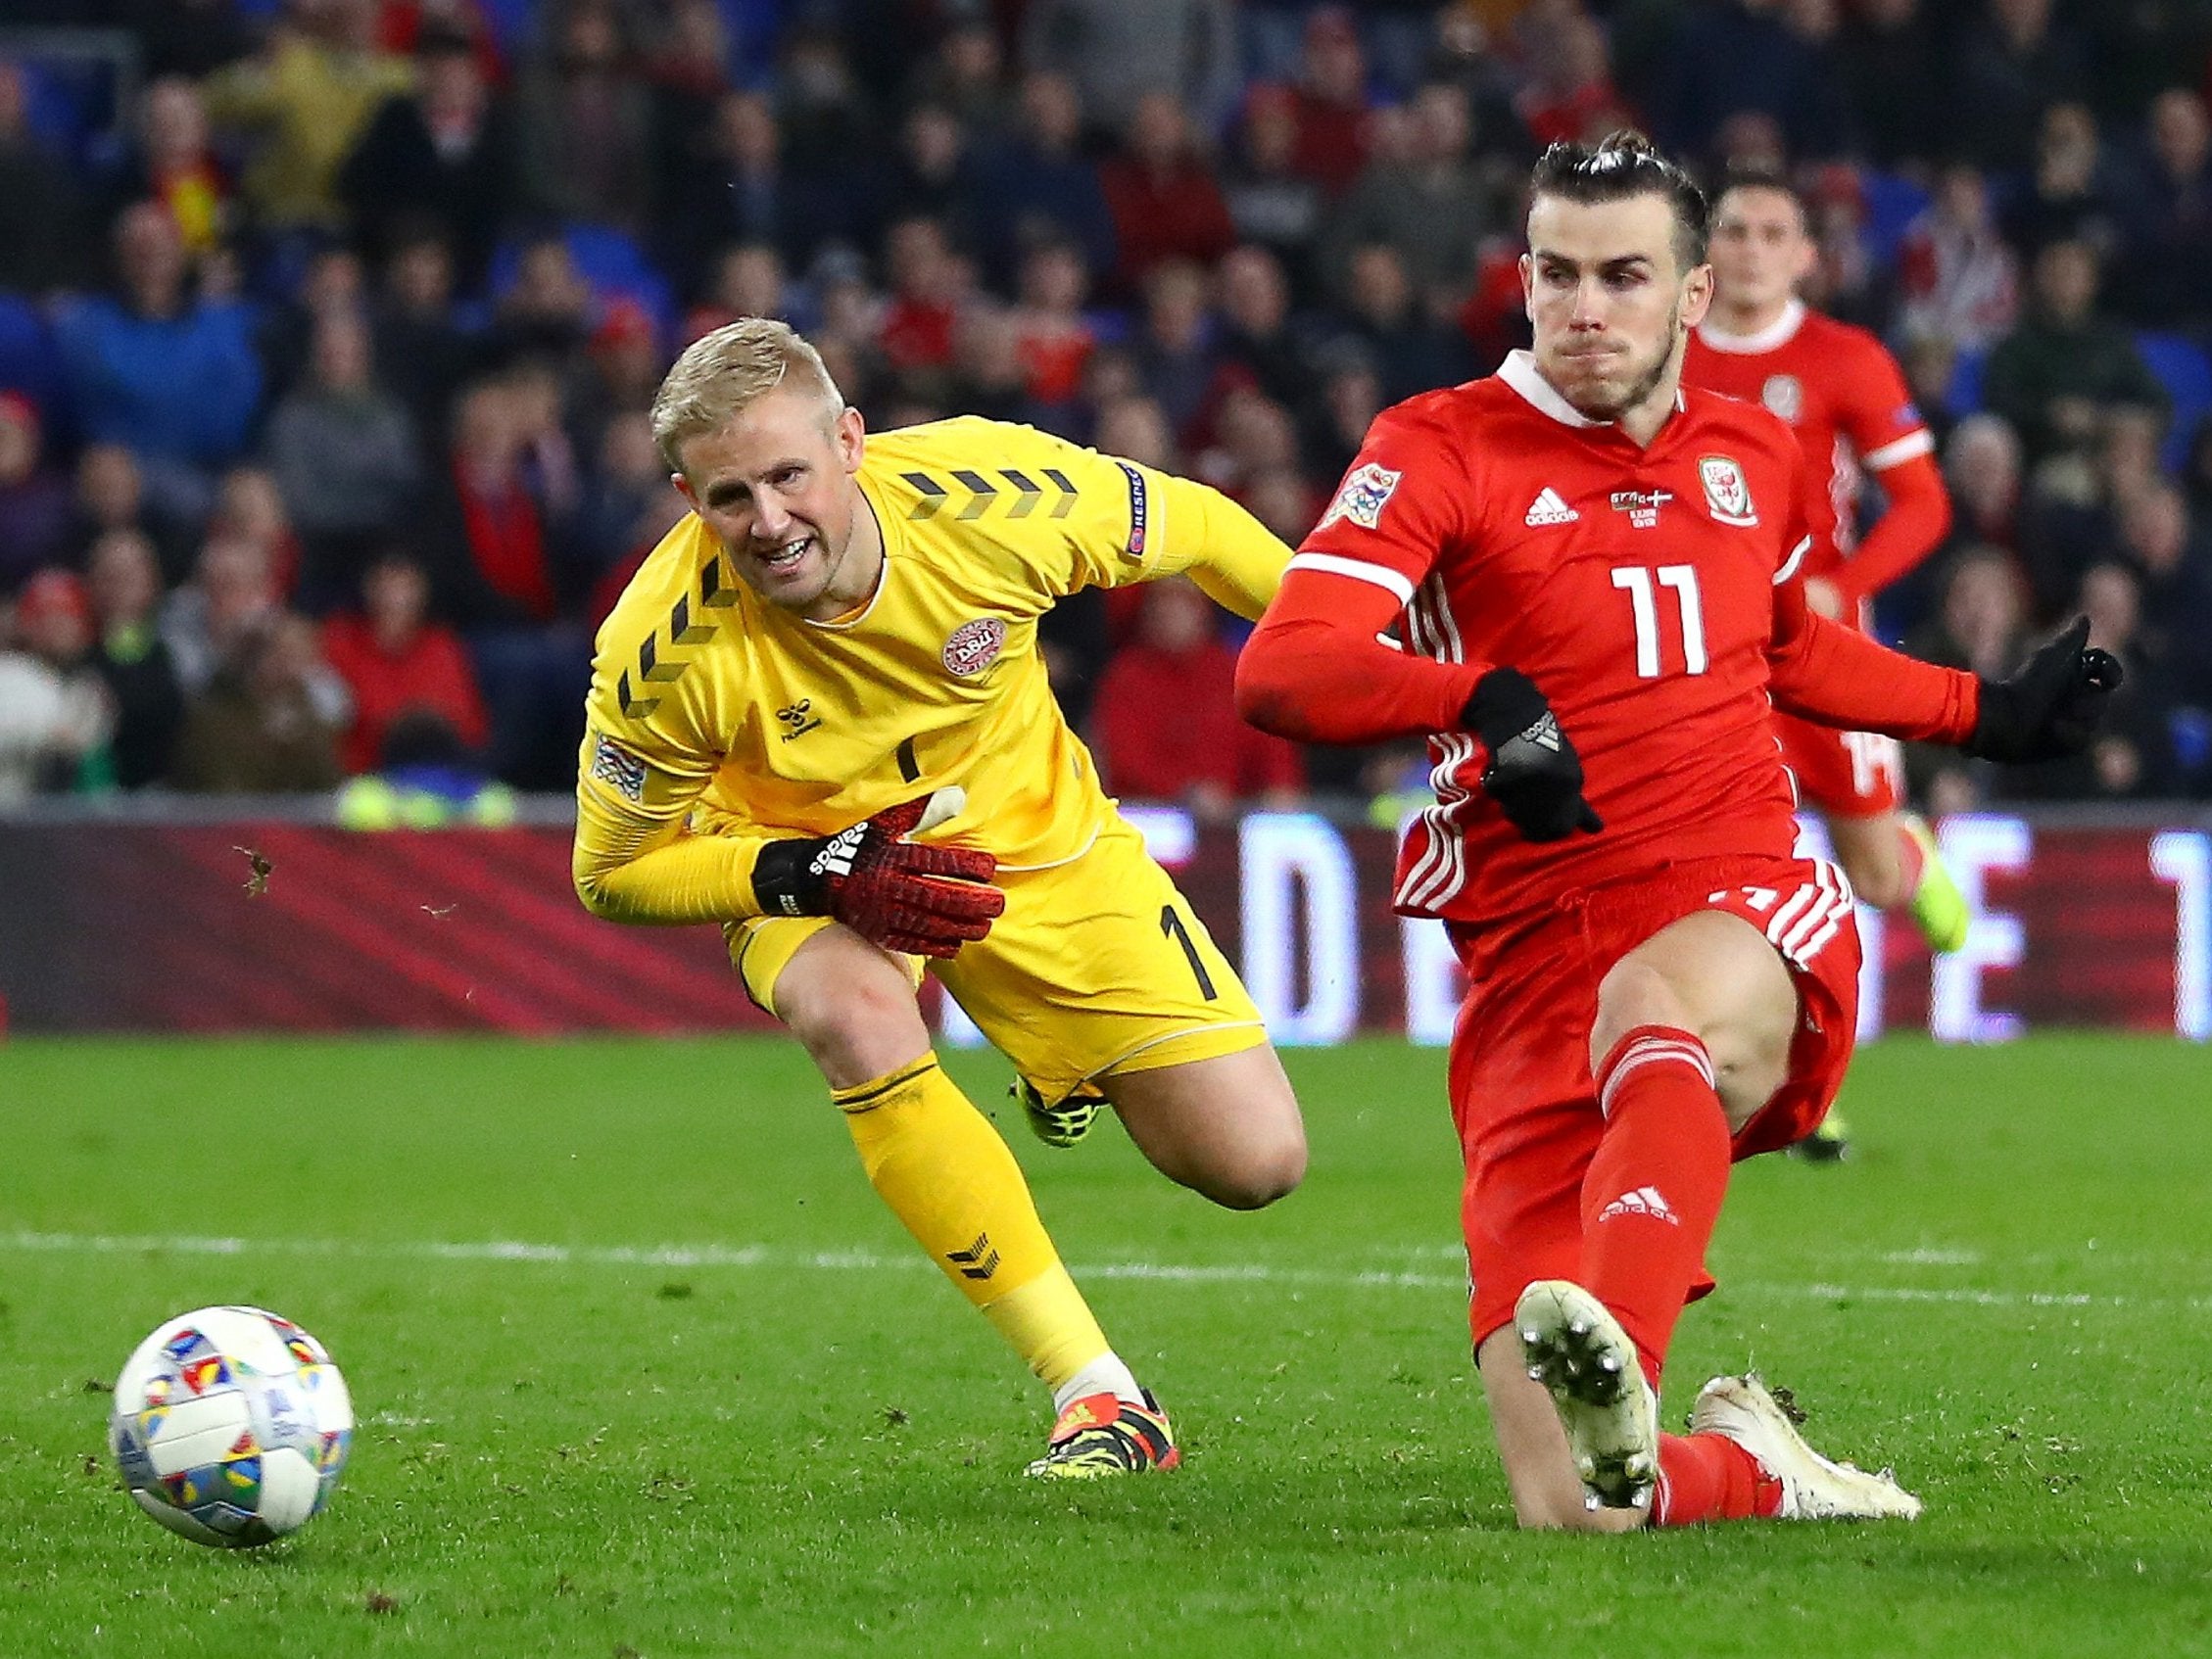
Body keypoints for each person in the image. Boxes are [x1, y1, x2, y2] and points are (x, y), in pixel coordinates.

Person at [1235, 132, 2119, 1532]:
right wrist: (1474, 695)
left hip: (1732, 894)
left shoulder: (1758, 453)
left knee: (1659, 1006)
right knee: (1576, 1510)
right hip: (1526, 955)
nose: (1586, 307)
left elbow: (1786, 649)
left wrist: (1978, 713)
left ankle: (1624, 1358)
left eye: (1624, 275)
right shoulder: (1436, 445)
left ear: (1693, 296)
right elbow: (1282, 666)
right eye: (1557, 273)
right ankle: (1757, 1471)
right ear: (1523, 280)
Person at [571, 318, 1307, 1479]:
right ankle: (1097, 1392)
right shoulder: (661, 650)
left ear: (851, 442)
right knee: (858, 1014)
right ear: (684, 496)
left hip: (1025, 834)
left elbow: (1202, 529)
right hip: (801, 857)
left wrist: (1362, 661)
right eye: (727, 497)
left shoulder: (995, 492)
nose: (766, 522)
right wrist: (795, 872)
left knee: (1256, 1162)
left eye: (787, 476)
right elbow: (608, 871)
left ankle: (1049, 1064)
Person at [1682, 166, 1970, 1160]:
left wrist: (1842, 583)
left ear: (1805, 254)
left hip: (1819, 649)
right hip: (1703, 655)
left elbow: (1924, 503)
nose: (1751, 247)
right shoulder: (1662, 355)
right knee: (1726, 868)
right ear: (1703, 247)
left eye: (1772, 231)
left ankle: (1910, 855)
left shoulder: (1843, 358)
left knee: (1872, 874)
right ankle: (1791, 1087)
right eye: (1732, 229)